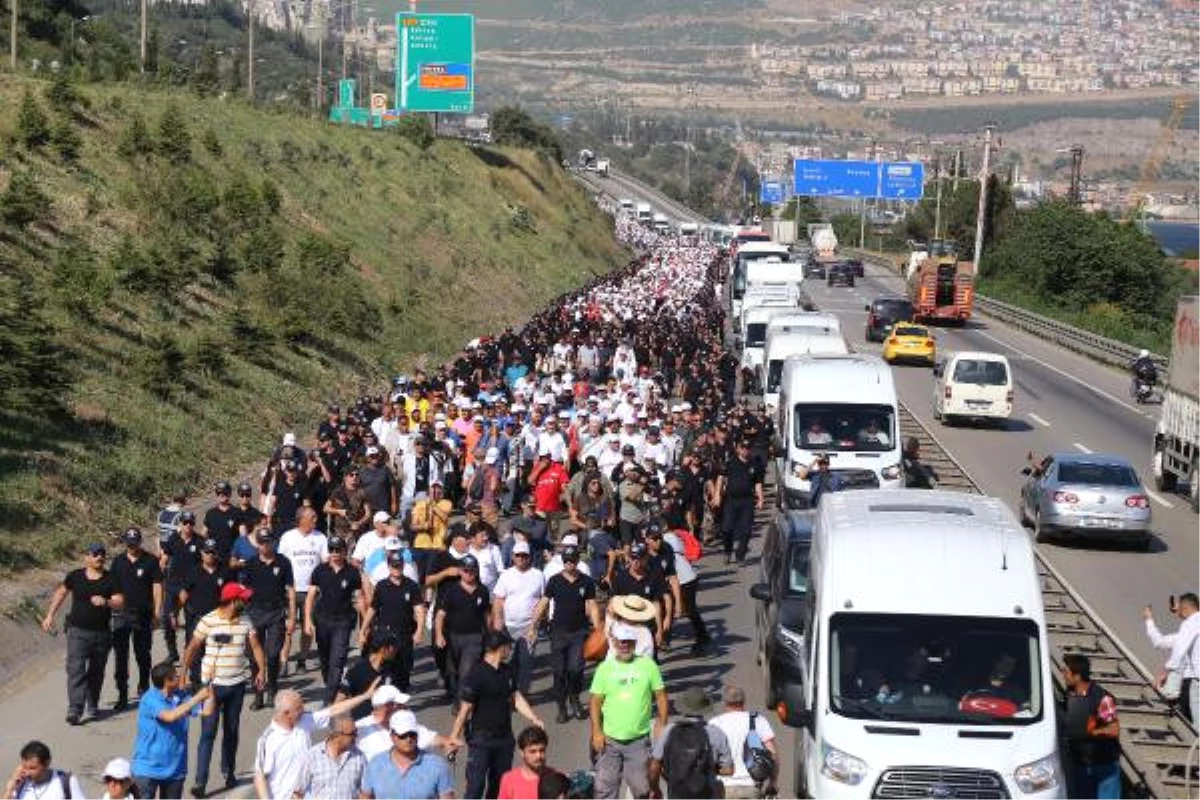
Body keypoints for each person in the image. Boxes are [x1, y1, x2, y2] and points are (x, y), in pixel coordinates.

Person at [182, 582, 268, 798]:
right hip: (211, 688)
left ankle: (228, 773)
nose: (247, 601)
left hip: (237, 685)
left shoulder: (245, 620)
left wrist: (262, 671)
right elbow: (192, 648)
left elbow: (256, 647)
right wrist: (183, 674)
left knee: (231, 732)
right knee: (208, 734)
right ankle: (201, 782)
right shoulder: (208, 620)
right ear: (231, 600)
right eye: (243, 598)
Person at [449, 631, 545, 800]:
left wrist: (533, 717)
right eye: (508, 646)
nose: (510, 650)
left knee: (499, 786)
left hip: (504, 739)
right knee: (475, 786)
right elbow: (465, 710)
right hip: (481, 740)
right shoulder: (476, 674)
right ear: (499, 648)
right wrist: (453, 738)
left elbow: (515, 697)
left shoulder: (507, 671)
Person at [41, 540, 125, 727]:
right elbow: (61, 593)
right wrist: (49, 616)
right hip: (77, 632)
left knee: (96, 672)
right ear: (86, 557)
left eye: (102, 553)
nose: (99, 557)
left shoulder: (111, 579)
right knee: (76, 670)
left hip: (102, 634)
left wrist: (106, 602)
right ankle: (75, 709)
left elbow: (120, 601)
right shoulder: (76, 576)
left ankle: (92, 703)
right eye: (95, 554)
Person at [588, 623, 669, 800]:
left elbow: (661, 696)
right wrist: (596, 731)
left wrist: (662, 724)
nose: (625, 645)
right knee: (604, 791)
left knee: (642, 790)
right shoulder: (604, 669)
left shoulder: (648, 666)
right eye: (621, 642)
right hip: (609, 742)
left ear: (634, 642)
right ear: (614, 643)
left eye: (629, 642)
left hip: (639, 742)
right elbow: (595, 702)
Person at [252, 687, 377, 800]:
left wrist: (365, 695)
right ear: (286, 713)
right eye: (298, 708)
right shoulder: (268, 739)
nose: (303, 710)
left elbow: (334, 710)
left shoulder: (304, 720)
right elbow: (260, 776)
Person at [531, 546, 601, 723]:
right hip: (558, 631)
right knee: (559, 671)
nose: (569, 564)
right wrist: (533, 624)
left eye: (572, 560)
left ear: (577, 561)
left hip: (579, 631)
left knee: (576, 669)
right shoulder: (554, 580)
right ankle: (561, 706)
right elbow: (544, 602)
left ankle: (575, 699)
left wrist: (599, 628)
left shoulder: (586, 581)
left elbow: (592, 605)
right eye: (566, 561)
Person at [131, 660, 213, 799]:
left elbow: (206, 711)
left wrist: (211, 690)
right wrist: (198, 697)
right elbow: (169, 716)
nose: (180, 678)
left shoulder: (180, 696)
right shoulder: (149, 699)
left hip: (175, 770)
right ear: (166, 681)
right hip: (147, 770)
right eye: (175, 676)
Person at [305, 536, 367, 704]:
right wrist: (307, 621)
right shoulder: (320, 570)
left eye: (337, 550)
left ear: (344, 552)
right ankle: (331, 686)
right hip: (322, 620)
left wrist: (364, 627)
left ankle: (329, 699)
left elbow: (360, 599)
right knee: (325, 660)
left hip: (343, 621)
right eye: (331, 550)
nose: (334, 553)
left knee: (338, 660)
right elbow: (310, 596)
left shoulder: (352, 572)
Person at [111, 527, 164, 711]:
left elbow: (157, 587)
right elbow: (112, 588)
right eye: (129, 543)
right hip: (121, 615)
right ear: (125, 542)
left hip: (143, 614)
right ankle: (122, 693)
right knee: (121, 657)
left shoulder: (150, 561)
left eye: (135, 543)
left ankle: (143, 687)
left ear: (140, 542)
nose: (132, 546)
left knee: (142, 655)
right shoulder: (117, 562)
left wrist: (157, 613)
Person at [241, 529, 296, 709]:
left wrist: (293, 616)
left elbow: (290, 590)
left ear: (274, 542)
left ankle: (272, 689)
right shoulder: (250, 563)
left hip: (276, 613)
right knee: (254, 657)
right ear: (257, 544)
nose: (266, 545)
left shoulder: (283, 562)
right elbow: (243, 591)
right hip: (255, 613)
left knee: (272, 655)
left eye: (268, 541)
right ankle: (258, 695)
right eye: (262, 542)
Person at [648, 687, 733, 800]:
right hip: (707, 794)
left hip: (677, 794)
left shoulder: (669, 731)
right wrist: (710, 768)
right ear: (704, 708)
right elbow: (729, 770)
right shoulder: (715, 732)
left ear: (683, 708)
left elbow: (655, 765)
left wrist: (655, 787)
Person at [361, 550, 426, 692]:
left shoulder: (412, 586)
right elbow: (373, 609)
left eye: (399, 566)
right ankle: (386, 698)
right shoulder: (382, 586)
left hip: (405, 635)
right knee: (385, 670)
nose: (397, 569)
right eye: (394, 566)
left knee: (404, 669)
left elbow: (419, 610)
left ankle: (400, 695)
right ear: (389, 567)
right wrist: (363, 629)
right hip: (386, 636)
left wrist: (419, 631)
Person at [278, 508, 329, 675]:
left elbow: (325, 562)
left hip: (311, 592)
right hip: (291, 590)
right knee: (288, 627)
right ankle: (283, 661)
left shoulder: (320, 537)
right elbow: (280, 562)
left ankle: (302, 659)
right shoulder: (288, 537)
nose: (316, 519)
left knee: (308, 628)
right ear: (302, 519)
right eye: (312, 517)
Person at [1062, 654, 1120, 800]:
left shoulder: (1102, 698)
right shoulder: (1069, 695)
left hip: (1104, 766)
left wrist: (1091, 731)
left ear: (1077, 676)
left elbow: (1114, 730)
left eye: (1066, 672)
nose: (1063, 675)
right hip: (1081, 764)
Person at [359, 711, 455, 800]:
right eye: (403, 735)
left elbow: (447, 797)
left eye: (412, 734)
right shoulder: (376, 764)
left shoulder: (436, 765)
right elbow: (366, 796)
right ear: (392, 736)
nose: (408, 739)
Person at [492, 541, 546, 697]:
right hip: (508, 627)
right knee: (508, 662)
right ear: (513, 557)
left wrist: (537, 624)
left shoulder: (538, 575)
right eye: (518, 555)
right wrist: (497, 621)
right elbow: (498, 600)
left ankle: (521, 694)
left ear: (529, 557)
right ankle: (508, 690)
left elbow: (543, 600)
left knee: (526, 661)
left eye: (524, 555)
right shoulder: (506, 575)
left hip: (529, 627)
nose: (521, 558)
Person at [434, 555, 492, 701]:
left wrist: (490, 634)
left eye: (472, 570)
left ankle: (463, 703)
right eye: (466, 570)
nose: (469, 573)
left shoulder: (483, 591)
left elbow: (487, 614)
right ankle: (456, 697)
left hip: (474, 638)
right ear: (460, 571)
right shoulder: (451, 591)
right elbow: (440, 615)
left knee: (466, 671)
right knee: (452, 672)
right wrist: (439, 635)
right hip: (453, 637)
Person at [355, 686, 461, 762]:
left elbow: (431, 738)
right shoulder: (360, 728)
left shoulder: (405, 722)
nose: (404, 707)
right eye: (400, 704)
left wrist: (447, 743)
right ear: (388, 707)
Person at [708, 685, 777, 800]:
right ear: (743, 701)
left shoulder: (715, 723)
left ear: (725, 702)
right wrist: (773, 782)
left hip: (723, 787)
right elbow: (772, 754)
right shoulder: (757, 720)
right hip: (751, 786)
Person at [178, 540, 230, 685]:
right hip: (198, 618)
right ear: (201, 553)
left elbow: (232, 595)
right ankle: (196, 683)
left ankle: (216, 682)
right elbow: (184, 593)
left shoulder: (225, 571)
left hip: (219, 620)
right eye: (207, 552)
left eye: (213, 552)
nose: (210, 555)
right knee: (195, 652)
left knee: (218, 652)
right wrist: (174, 613)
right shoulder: (193, 571)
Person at [1145, 593, 1200, 722]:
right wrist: (1182, 612)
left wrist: (1165, 672)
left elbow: (1175, 650)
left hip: (1193, 681)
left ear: (1185, 609)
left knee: (1195, 723)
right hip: (1190, 681)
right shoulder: (1190, 627)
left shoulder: (1189, 625)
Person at [291, 714, 367, 800]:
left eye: (356, 732)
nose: (356, 736)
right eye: (353, 733)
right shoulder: (313, 756)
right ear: (337, 735)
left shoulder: (359, 757)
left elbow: (366, 792)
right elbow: (297, 793)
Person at [716, 440, 764, 564]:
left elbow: (758, 483)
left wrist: (760, 498)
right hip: (731, 499)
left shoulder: (754, 464)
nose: (745, 450)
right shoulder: (730, 462)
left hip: (747, 500)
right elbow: (721, 477)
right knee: (727, 528)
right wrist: (717, 494)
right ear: (738, 449)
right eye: (743, 447)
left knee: (746, 530)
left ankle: (740, 555)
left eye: (747, 448)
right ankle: (727, 551)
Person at [4, 741, 85, 800]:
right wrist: (9, 789)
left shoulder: (66, 782)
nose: (27, 773)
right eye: (24, 767)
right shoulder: (20, 784)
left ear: (46, 763)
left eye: (32, 768)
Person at [496, 727, 552, 800]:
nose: (538, 756)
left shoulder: (555, 778)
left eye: (542, 750)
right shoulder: (509, 779)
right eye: (533, 751)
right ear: (522, 753)